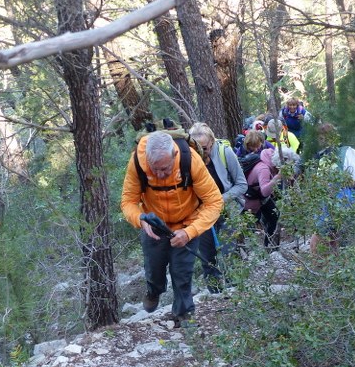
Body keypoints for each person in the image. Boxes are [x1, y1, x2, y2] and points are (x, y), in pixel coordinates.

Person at [121, 130, 223, 325]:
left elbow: (214, 202)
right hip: (154, 226)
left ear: (175, 155)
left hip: (186, 223)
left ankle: (184, 316)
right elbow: (128, 202)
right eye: (154, 169)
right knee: (154, 269)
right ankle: (154, 291)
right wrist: (139, 219)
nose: (159, 175)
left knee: (182, 273)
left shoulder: (190, 160)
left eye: (165, 169)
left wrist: (190, 232)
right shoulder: (137, 162)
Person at [188, 122, 247, 293]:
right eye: (195, 147)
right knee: (207, 256)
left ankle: (237, 291)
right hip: (202, 213)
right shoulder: (188, 158)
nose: (200, 151)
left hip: (227, 209)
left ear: (212, 143)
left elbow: (242, 185)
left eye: (204, 148)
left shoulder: (224, 153)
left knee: (230, 252)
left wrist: (220, 200)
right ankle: (215, 294)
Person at [241, 130, 283, 248]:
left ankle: (269, 247)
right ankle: (247, 250)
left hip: (257, 197)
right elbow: (265, 191)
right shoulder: (264, 168)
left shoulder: (264, 159)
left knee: (273, 215)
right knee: (248, 225)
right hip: (252, 200)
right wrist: (277, 177)